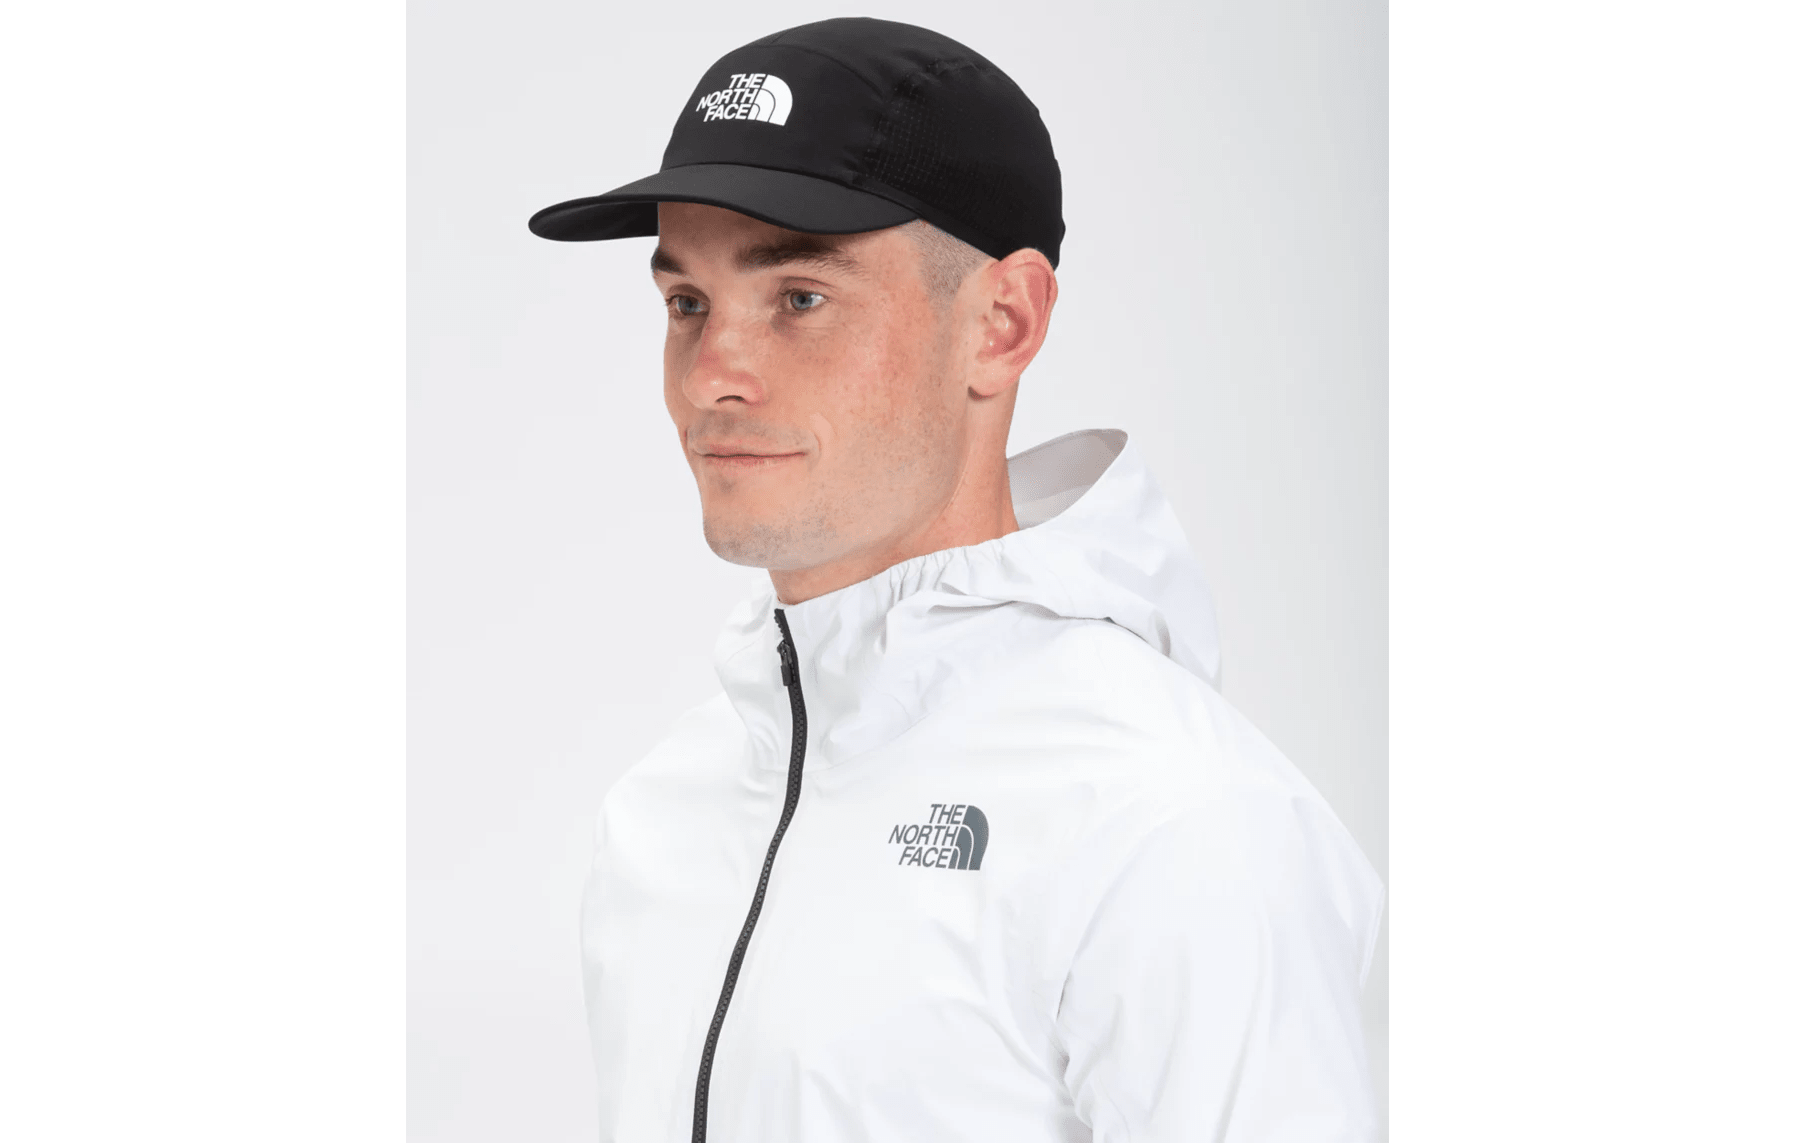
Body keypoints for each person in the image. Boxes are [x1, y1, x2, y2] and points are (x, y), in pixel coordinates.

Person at [529, 17, 1382, 1142]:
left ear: (1001, 324)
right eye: (687, 304)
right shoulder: (665, 808)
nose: (711, 379)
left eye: (799, 298)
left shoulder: (1173, 822)